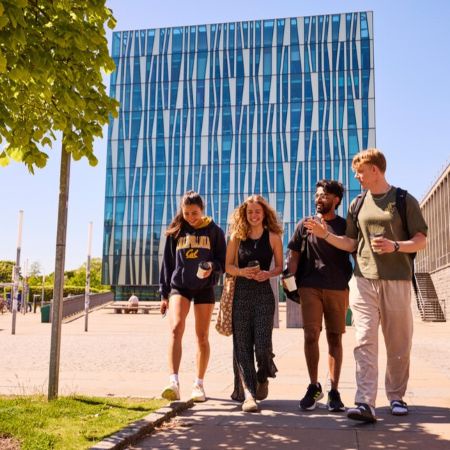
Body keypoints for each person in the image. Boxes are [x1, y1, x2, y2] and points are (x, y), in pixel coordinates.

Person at [305, 148, 427, 423]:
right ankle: (365, 402)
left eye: (360, 171)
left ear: (375, 169)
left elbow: (421, 239)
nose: (357, 177)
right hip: (363, 279)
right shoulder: (357, 204)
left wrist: (395, 246)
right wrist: (326, 235)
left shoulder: (403, 199)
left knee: (398, 342)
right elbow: (351, 243)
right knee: (363, 341)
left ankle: (396, 396)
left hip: (397, 279)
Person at [286, 180, 353, 413]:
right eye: (317, 195)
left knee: (335, 338)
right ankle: (314, 386)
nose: (318, 198)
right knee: (310, 335)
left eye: (324, 195)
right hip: (309, 287)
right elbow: (293, 254)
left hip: (337, 287)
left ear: (336, 199)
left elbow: (353, 249)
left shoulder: (346, 225)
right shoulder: (304, 225)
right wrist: (290, 279)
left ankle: (334, 391)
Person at [159, 191, 226, 403]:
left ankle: (198, 384)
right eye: (186, 213)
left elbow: (222, 262)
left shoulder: (214, 231)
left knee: (202, 336)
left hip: (204, 287)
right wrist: (164, 294)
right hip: (180, 287)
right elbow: (167, 264)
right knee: (176, 328)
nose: (190, 217)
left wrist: (212, 267)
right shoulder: (176, 231)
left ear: (202, 210)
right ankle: (173, 383)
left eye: (194, 213)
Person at [225, 195, 283, 412]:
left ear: (264, 213)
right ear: (244, 214)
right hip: (240, 295)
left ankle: (263, 376)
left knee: (262, 345)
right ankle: (250, 394)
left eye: (257, 211)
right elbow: (228, 266)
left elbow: (279, 266)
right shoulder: (236, 236)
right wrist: (241, 271)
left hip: (263, 296)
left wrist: (268, 274)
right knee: (242, 347)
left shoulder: (274, 237)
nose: (254, 215)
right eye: (250, 212)